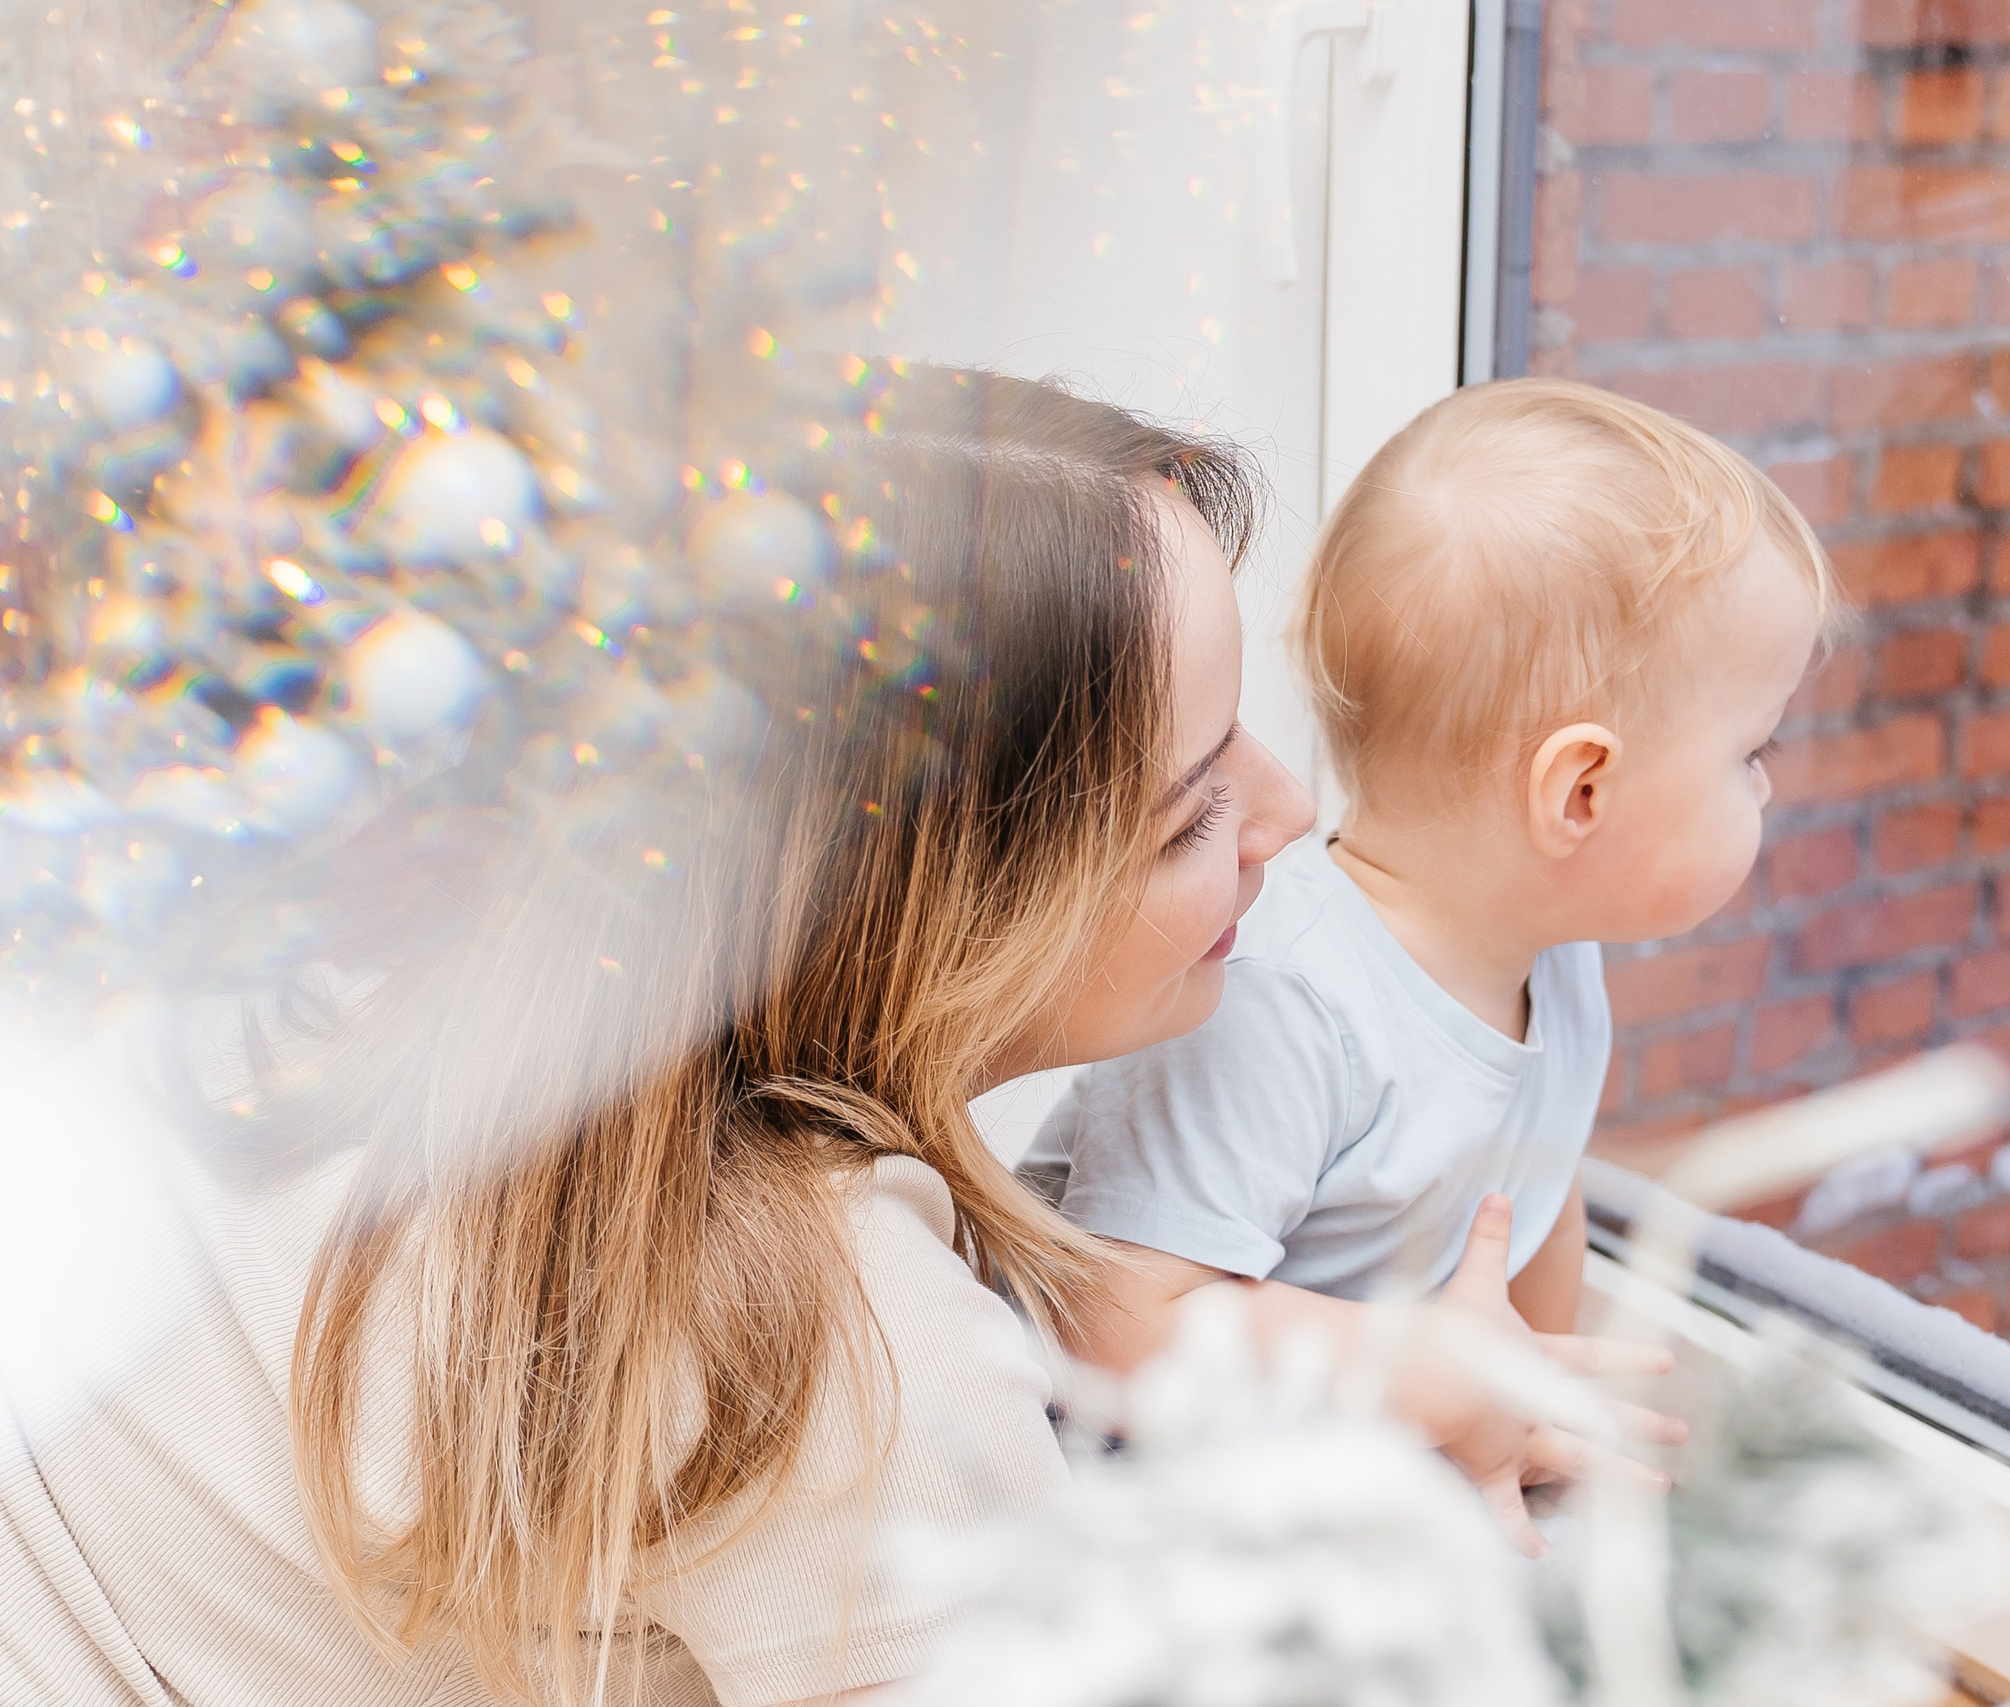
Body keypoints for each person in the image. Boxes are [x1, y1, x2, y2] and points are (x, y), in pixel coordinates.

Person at [0, 367, 1669, 1707]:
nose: (1291, 817)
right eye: (1185, 815)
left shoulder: (303, 974)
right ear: (948, 916)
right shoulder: (849, 1366)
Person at [1026, 378, 1839, 1395]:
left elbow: (1524, 1214)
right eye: (1750, 749)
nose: (1764, 784)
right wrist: (1438, 1379)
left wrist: (1530, 1410)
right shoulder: (1272, 1002)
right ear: (1579, 792)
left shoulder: (1551, 962)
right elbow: (1117, 1325)